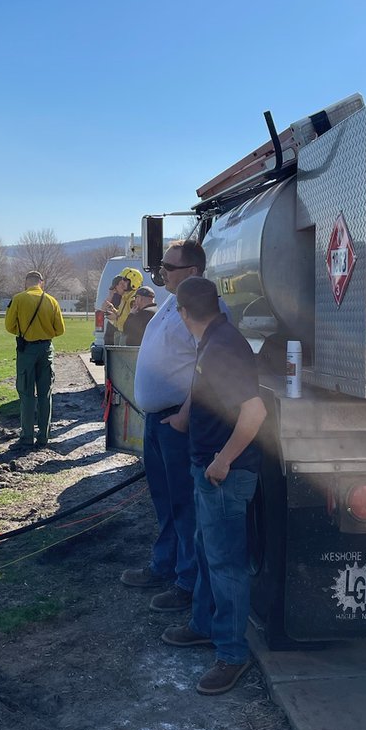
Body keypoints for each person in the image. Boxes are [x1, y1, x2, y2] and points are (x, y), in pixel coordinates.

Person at [162, 275, 266, 696]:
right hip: (207, 468)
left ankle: (232, 654)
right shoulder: (215, 339)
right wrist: (184, 420)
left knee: (226, 565)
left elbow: (254, 413)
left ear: (183, 312)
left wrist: (223, 460)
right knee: (207, 551)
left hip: (223, 475)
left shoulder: (222, 347)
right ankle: (204, 625)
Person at [120, 239, 211, 613]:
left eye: (169, 267)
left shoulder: (203, 308)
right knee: (165, 500)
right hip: (159, 421)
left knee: (184, 504)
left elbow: (209, 368)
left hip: (177, 423)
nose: (161, 273)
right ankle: (166, 565)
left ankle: (187, 582)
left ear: (192, 271)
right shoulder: (172, 302)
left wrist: (185, 415)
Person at [5, 271, 65, 448]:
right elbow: (60, 329)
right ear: (41, 283)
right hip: (46, 350)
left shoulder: (18, 299)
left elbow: (9, 326)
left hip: (27, 351)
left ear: (26, 283)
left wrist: (23, 332)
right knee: (45, 394)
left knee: (26, 394)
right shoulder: (52, 301)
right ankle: (43, 436)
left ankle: (27, 437)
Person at [103, 267, 143, 342]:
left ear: (134, 282)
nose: (122, 283)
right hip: (121, 332)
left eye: (125, 280)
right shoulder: (126, 296)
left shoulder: (133, 300)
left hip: (128, 335)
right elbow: (123, 314)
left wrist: (116, 318)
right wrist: (113, 310)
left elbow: (133, 321)